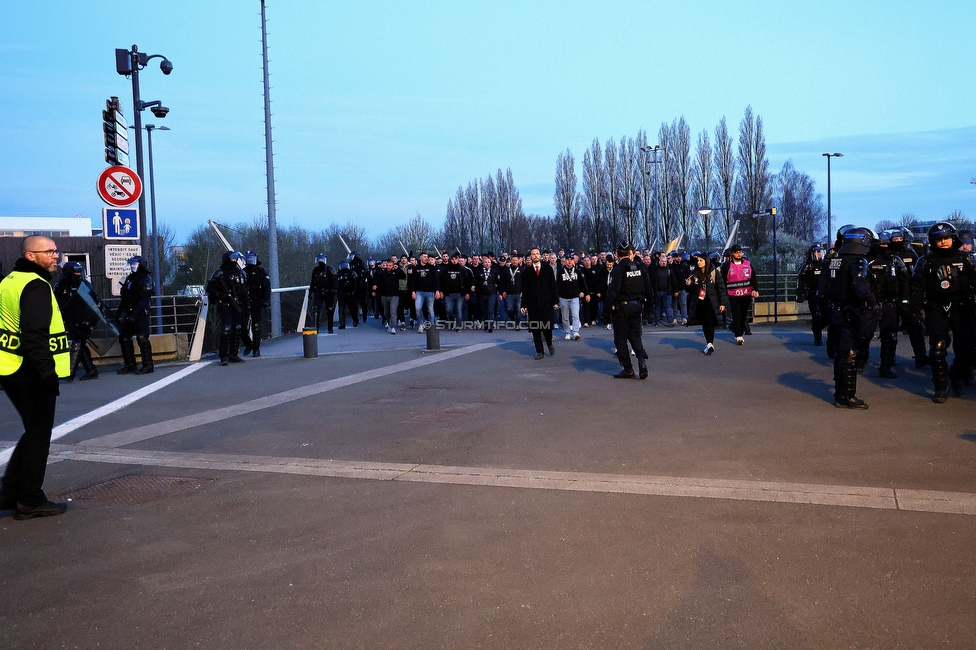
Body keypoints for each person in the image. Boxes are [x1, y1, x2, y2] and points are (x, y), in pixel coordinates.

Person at [0, 235, 70, 519]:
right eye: (49, 252)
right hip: (31, 371)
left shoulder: (10, 281)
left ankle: (10, 493)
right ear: (31, 256)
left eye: (56, 251)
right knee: (39, 435)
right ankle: (30, 499)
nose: (55, 256)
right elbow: (34, 334)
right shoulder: (36, 286)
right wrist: (47, 373)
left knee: (33, 432)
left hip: (10, 365)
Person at [910, 222, 976, 403]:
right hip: (936, 308)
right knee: (937, 348)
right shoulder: (925, 262)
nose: (943, 242)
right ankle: (940, 386)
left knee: (967, 349)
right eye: (938, 239)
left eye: (946, 238)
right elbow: (916, 288)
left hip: (962, 307)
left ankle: (956, 374)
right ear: (933, 242)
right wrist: (916, 310)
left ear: (953, 238)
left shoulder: (966, 259)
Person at [825, 227, 878, 409]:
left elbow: (824, 286)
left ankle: (841, 394)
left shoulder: (835, 260)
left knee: (841, 354)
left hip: (835, 311)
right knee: (850, 353)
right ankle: (846, 396)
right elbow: (860, 284)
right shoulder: (858, 260)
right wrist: (872, 303)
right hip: (850, 312)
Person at [863, 232, 909, 378]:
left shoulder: (895, 261)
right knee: (865, 335)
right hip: (871, 304)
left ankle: (886, 366)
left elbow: (904, 281)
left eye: (885, 244)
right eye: (880, 244)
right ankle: (861, 360)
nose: (883, 246)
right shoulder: (866, 261)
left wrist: (905, 301)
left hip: (890, 304)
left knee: (890, 337)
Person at [604, 242, 652, 378]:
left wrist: (606, 312)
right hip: (637, 306)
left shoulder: (618, 269)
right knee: (635, 337)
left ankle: (628, 368)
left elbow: (613, 292)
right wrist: (648, 309)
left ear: (618, 255)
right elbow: (649, 289)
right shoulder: (639, 266)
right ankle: (642, 363)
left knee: (620, 339)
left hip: (622, 308)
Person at [53, 261, 100, 381]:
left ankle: (70, 373)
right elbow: (55, 302)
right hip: (69, 319)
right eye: (76, 271)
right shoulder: (60, 285)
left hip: (83, 319)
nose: (78, 274)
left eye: (80, 271)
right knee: (80, 344)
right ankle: (91, 370)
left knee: (78, 343)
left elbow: (94, 301)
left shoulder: (85, 284)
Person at [206, 250, 249, 365]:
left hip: (238, 304)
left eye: (235, 259)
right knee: (226, 329)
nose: (235, 261)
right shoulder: (219, 273)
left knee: (238, 328)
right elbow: (210, 288)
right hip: (225, 304)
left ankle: (233, 354)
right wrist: (222, 295)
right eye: (232, 259)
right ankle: (224, 356)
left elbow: (244, 291)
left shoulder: (240, 273)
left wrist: (247, 306)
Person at [685, 252, 730, 356]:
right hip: (699, 302)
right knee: (705, 322)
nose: (699, 262)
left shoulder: (714, 272)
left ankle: (710, 343)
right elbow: (690, 290)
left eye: (701, 260)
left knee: (710, 322)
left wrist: (722, 303)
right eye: (698, 261)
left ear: (706, 261)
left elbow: (721, 288)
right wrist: (688, 285)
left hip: (711, 302)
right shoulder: (694, 273)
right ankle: (708, 342)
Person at [116, 255, 155, 375]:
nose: (132, 267)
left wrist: (135, 313)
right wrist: (119, 312)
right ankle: (130, 364)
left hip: (140, 314)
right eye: (131, 264)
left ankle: (148, 365)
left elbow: (144, 299)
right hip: (129, 313)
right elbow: (125, 297)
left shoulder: (146, 279)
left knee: (142, 338)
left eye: (134, 264)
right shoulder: (130, 278)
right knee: (124, 337)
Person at [520, 246, 558, 359]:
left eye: (537, 253)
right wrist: (524, 304)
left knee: (547, 328)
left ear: (540, 255)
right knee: (535, 328)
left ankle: (550, 344)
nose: (535, 256)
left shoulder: (548, 269)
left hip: (546, 303)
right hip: (533, 304)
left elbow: (553, 286)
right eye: (533, 254)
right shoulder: (527, 271)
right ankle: (539, 351)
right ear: (530, 256)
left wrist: (555, 301)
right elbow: (525, 289)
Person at [720, 245, 759, 345]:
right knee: (736, 314)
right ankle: (738, 335)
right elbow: (722, 281)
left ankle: (740, 330)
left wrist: (755, 289)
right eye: (736, 252)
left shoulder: (747, 264)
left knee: (743, 314)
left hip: (746, 294)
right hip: (733, 295)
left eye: (740, 252)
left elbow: (753, 278)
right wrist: (723, 295)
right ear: (732, 254)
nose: (739, 254)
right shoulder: (727, 266)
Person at [241, 250, 271, 357]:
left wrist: (266, 300)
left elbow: (267, 287)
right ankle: (248, 344)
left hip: (257, 301)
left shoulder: (261, 272)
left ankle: (256, 349)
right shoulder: (242, 272)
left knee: (256, 325)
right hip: (244, 302)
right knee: (241, 326)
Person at [796, 244, 826, 346]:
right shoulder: (808, 265)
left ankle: (817, 328)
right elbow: (801, 279)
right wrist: (801, 293)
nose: (819, 254)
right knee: (816, 315)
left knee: (827, 315)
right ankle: (818, 338)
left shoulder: (824, 264)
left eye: (820, 252)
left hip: (824, 293)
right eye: (817, 252)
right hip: (813, 293)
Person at [410, 252, 440, 332]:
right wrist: (413, 291)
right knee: (418, 308)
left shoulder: (431, 268)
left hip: (430, 292)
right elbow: (412, 281)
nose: (426, 258)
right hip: (419, 292)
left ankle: (432, 326)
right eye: (424, 257)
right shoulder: (416, 268)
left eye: (427, 257)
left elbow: (436, 280)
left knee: (430, 309)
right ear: (420, 258)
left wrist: (437, 290)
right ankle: (420, 324)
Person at [309, 253, 337, 333]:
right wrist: (310, 293)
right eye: (319, 259)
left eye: (322, 259)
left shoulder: (329, 269)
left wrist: (334, 290)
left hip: (328, 292)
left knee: (329, 310)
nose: (320, 260)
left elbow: (335, 280)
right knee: (316, 309)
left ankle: (330, 328)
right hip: (318, 292)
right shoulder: (315, 270)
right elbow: (312, 283)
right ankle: (316, 328)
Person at [335, 259, 359, 329]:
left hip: (350, 294)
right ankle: (342, 324)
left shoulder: (352, 273)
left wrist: (353, 293)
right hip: (341, 294)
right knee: (341, 309)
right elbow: (335, 284)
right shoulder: (338, 275)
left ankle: (355, 320)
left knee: (352, 308)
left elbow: (356, 284)